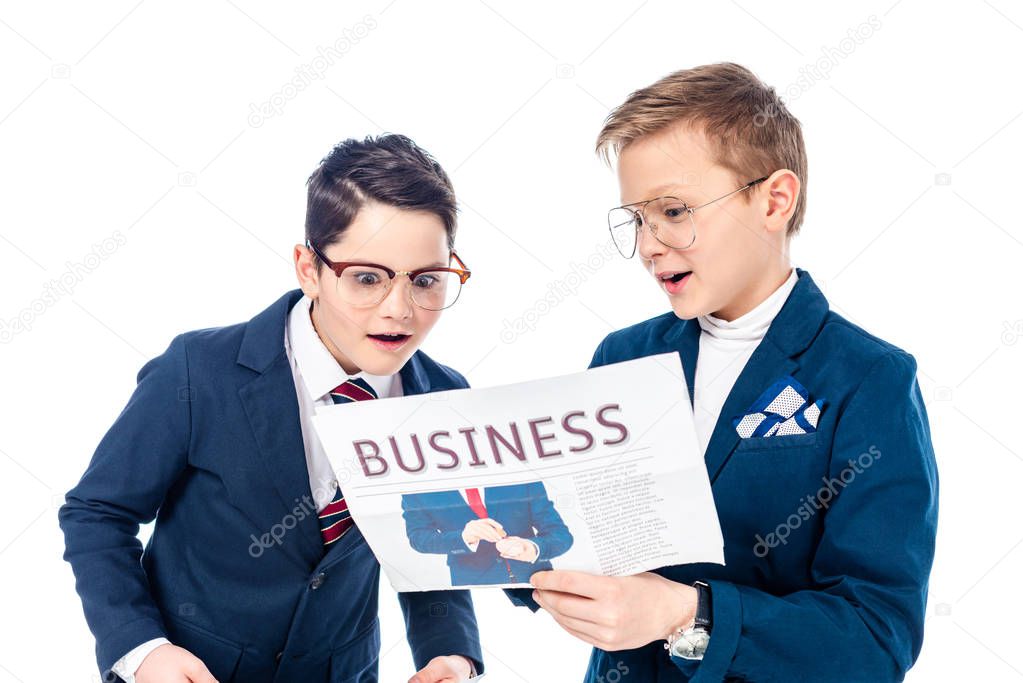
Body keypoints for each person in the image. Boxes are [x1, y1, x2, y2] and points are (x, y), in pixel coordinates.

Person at [510, 63, 938, 682]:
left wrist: (688, 613)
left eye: (675, 210)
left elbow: (875, 639)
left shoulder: (871, 379)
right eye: (636, 218)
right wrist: (517, 547)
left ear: (774, 199)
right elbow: (580, 542)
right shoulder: (621, 357)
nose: (650, 244)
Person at [59, 134, 484, 683]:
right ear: (309, 268)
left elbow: (433, 550)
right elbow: (96, 514)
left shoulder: (444, 399)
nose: (399, 310)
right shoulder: (198, 371)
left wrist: (451, 655)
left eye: (425, 280)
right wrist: (143, 649)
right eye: (366, 278)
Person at [402, 482, 574, 585]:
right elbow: (419, 538)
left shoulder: (520, 475)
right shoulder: (417, 489)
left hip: (535, 580)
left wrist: (531, 548)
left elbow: (560, 534)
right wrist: (464, 537)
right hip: (475, 588)